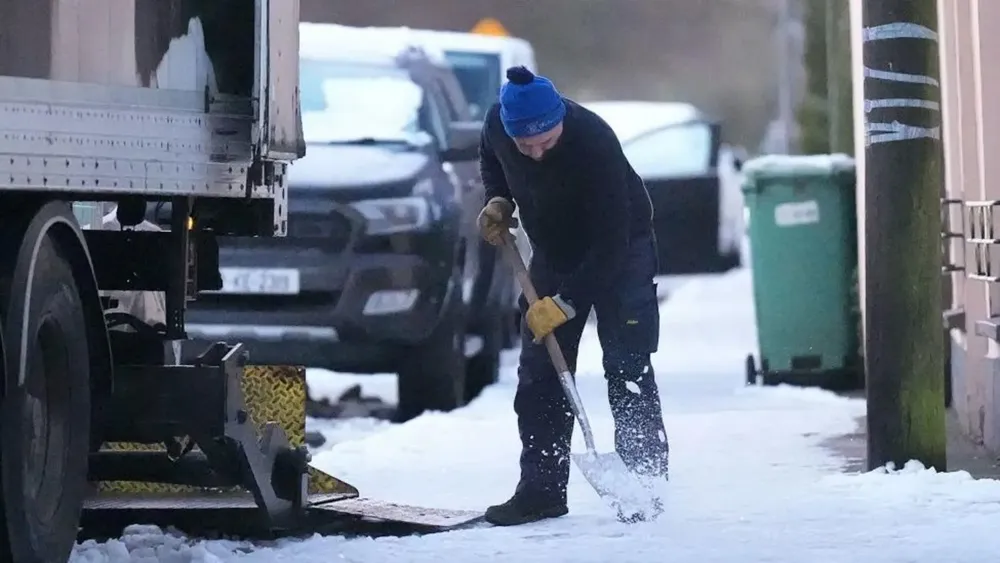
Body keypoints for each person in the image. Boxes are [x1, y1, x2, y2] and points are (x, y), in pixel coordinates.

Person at [476, 66, 670, 527]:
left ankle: (645, 485)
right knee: (541, 370)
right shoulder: (495, 127)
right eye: (526, 146)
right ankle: (540, 490)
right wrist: (499, 199)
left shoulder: (594, 140)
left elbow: (611, 243)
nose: (537, 154)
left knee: (627, 364)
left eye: (546, 141)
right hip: (555, 248)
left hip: (621, 249)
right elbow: (491, 160)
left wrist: (565, 303)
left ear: (559, 117)